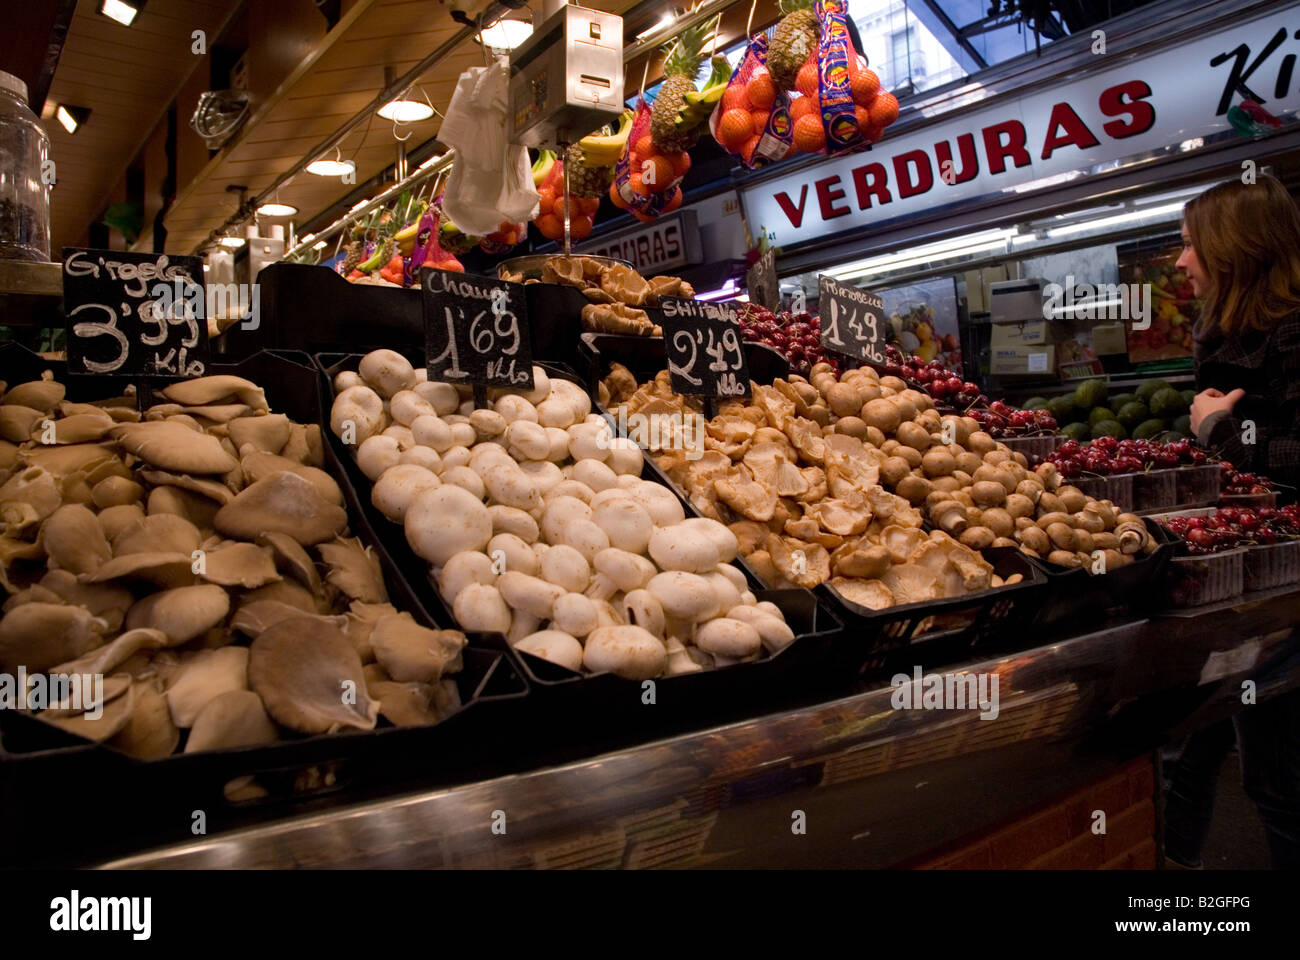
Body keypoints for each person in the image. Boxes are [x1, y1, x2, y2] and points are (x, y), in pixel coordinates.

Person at [1163, 173, 1300, 869]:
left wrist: (1220, 431)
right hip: (1253, 580)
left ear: (1235, 248)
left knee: (1282, 782)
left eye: (1190, 245)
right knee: (1210, 751)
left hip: (1290, 589)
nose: (1180, 261)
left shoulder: (1294, 333)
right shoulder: (1228, 327)